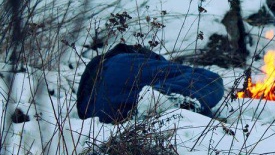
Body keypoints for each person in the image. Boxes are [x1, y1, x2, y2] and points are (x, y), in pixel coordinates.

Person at [76, 43, 224, 123]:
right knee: (209, 79)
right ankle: (164, 98)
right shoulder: (133, 59)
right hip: (116, 66)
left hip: (92, 111)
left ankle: (162, 101)